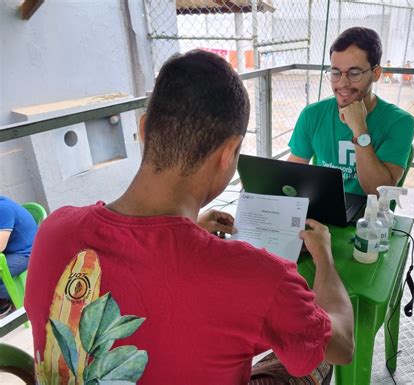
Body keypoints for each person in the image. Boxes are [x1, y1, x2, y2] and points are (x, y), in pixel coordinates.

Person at [25, 50, 353, 384]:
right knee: (310, 359)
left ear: (144, 129)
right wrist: (324, 258)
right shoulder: (260, 278)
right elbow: (342, 345)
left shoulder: (54, 230)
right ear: (228, 154)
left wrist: (189, 232)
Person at [288, 27, 414, 195]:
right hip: (321, 209)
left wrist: (360, 129)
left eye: (354, 73)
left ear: (376, 74)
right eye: (335, 73)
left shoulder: (400, 122)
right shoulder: (312, 114)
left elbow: (378, 192)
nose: (342, 83)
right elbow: (290, 175)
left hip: (368, 216)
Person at [0, 195, 37, 316]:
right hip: (11, 250)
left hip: (26, 252)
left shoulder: (3, 208)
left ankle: (7, 303)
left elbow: (0, 246)